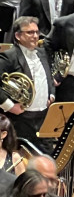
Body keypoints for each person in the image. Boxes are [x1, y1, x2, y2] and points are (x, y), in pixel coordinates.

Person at [0, 17, 54, 145]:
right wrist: (10, 106)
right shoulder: (9, 56)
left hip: (44, 118)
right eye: (30, 32)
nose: (35, 36)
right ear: (18, 35)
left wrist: (51, 95)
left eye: (37, 32)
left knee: (47, 157)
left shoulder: (42, 53)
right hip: (20, 120)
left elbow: (49, 78)